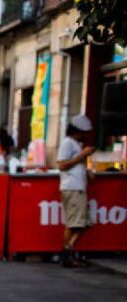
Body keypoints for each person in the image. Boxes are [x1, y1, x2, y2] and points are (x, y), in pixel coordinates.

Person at [57, 114, 97, 268]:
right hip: (72, 187)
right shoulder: (68, 143)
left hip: (77, 186)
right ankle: (67, 252)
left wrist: (85, 170)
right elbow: (61, 165)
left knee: (82, 222)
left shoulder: (74, 144)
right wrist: (83, 155)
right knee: (75, 223)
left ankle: (68, 250)